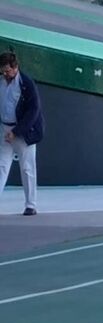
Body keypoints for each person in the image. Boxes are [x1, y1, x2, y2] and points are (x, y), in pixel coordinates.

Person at [0, 52, 43, 216]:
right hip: (5, 128)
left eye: (7, 71)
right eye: (2, 71)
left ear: (15, 67)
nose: (5, 74)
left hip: (23, 131)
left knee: (27, 168)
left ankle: (31, 204)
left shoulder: (26, 84)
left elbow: (34, 110)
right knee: (1, 166)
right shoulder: (1, 82)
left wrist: (17, 131)